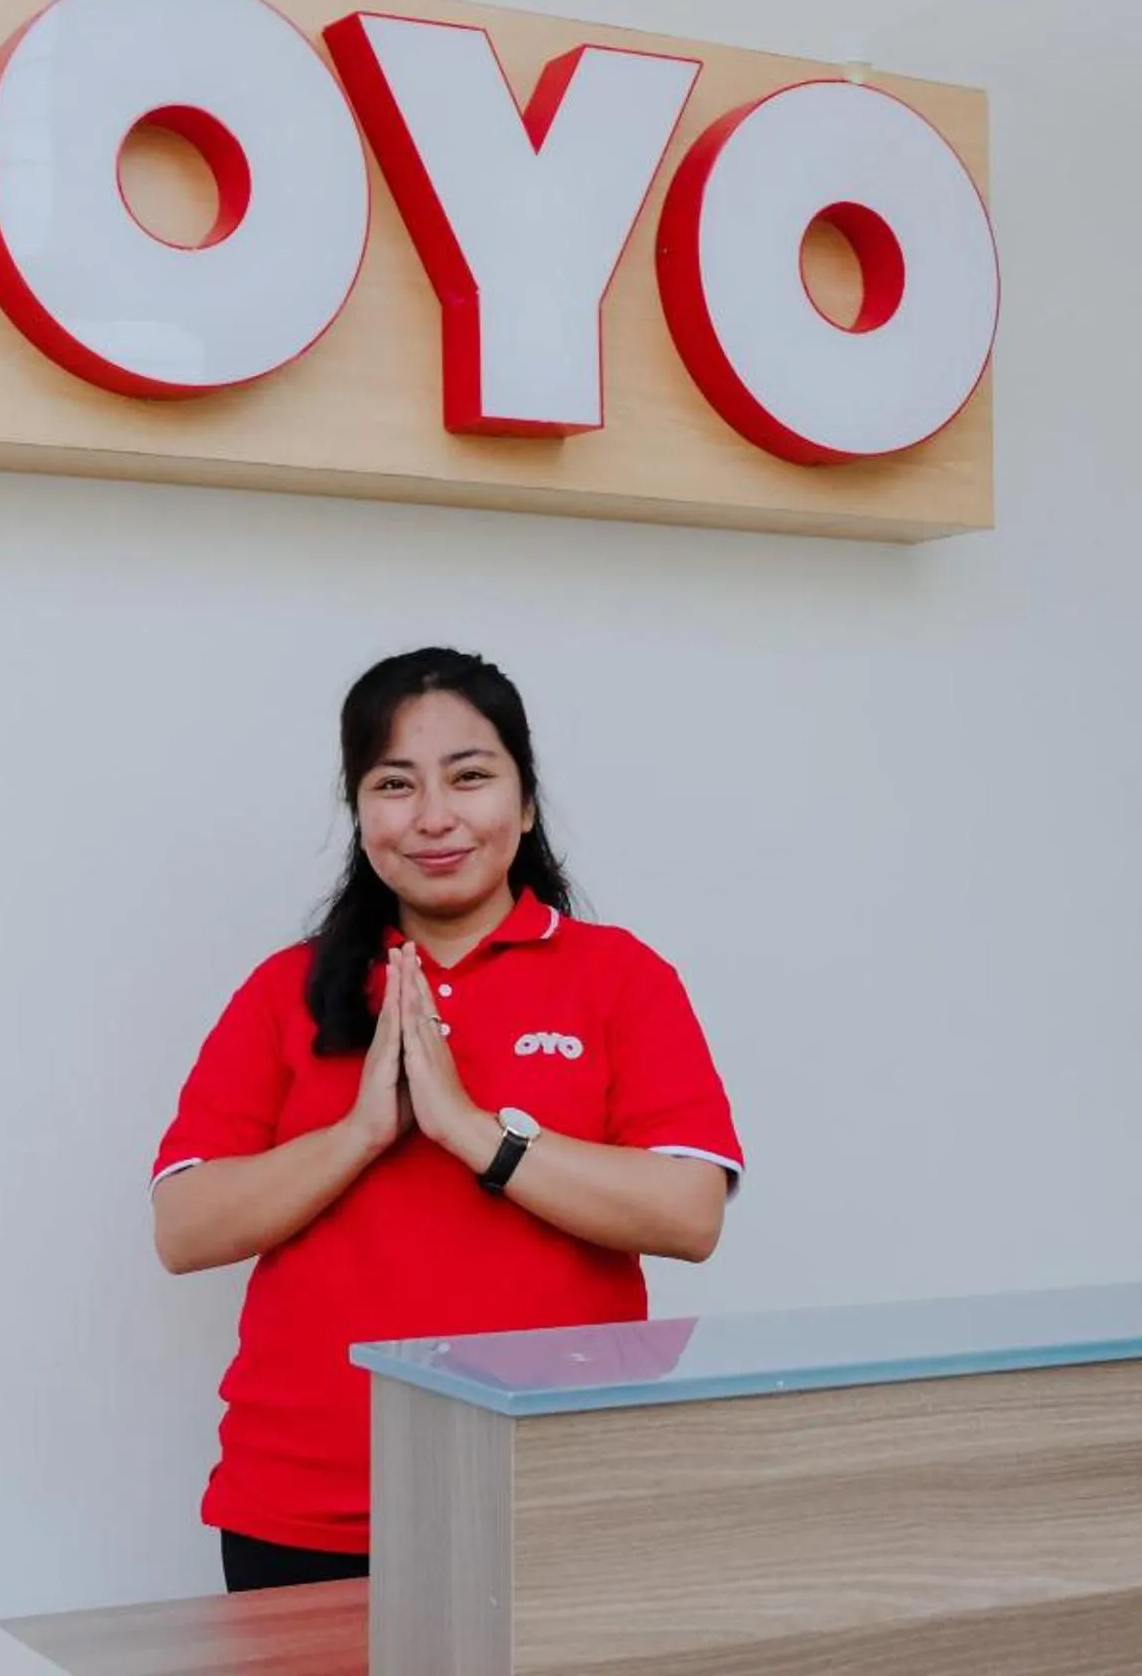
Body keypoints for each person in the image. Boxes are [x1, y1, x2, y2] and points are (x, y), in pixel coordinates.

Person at [150, 647, 744, 1594]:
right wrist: (357, 1135)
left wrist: (475, 1133)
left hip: (558, 1489)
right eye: (394, 784)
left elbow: (689, 1214)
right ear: (360, 814)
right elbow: (182, 1229)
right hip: (309, 1506)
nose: (433, 816)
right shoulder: (286, 992)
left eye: (470, 777)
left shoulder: (621, 979)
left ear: (526, 800)